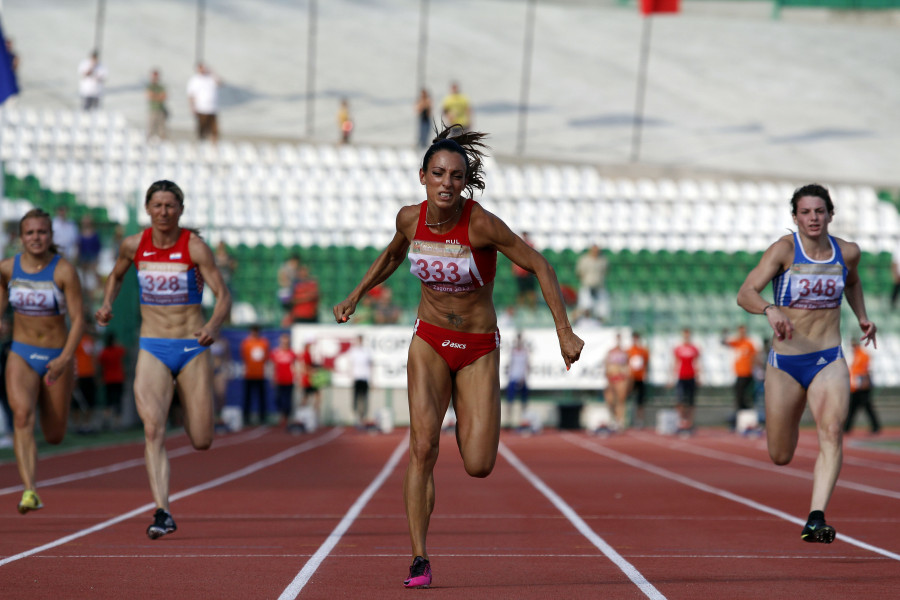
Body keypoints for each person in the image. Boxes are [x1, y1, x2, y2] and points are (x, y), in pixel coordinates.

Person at [332, 125, 583, 589]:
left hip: (477, 348)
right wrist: (356, 294)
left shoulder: (481, 223)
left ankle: (469, 431)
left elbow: (540, 264)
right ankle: (419, 558)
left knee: (478, 464)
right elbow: (391, 257)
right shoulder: (410, 218)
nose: (446, 183)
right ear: (423, 176)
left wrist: (563, 331)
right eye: (438, 174)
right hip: (428, 339)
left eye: (455, 176)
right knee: (422, 447)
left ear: (464, 182)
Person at [737, 183, 876, 544]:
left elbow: (854, 283)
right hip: (785, 362)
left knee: (831, 431)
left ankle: (816, 518)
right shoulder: (784, 251)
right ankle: (793, 415)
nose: (813, 218)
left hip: (828, 358)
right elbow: (745, 292)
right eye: (805, 212)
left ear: (830, 214)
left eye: (819, 211)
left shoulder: (847, 253)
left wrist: (862, 316)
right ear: (795, 217)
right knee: (780, 454)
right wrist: (770, 308)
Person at [95, 180, 232, 539]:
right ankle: (162, 511)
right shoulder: (133, 245)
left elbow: (223, 297)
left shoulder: (195, 247)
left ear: (181, 210)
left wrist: (214, 325)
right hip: (153, 345)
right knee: (152, 429)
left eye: (170, 205)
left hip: (191, 346)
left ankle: (187, 405)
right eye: (157, 205)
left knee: (202, 440)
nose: (163, 212)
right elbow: (116, 275)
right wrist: (108, 302)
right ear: (147, 209)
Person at [0, 208, 85, 514]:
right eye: (30, 233)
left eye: (42, 232)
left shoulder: (63, 271)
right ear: (21, 237)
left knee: (54, 434)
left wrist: (64, 359)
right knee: (22, 416)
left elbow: (78, 320)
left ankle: (32, 485)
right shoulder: (8, 269)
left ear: (50, 236)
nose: (36, 238)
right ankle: (29, 490)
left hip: (55, 357)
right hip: (21, 353)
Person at [721, 324, 757, 429]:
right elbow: (724, 342)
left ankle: (745, 421)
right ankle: (741, 420)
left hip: (747, 374)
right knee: (739, 397)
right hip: (739, 374)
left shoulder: (749, 343)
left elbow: (754, 357)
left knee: (744, 397)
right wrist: (724, 334)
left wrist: (755, 370)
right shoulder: (738, 342)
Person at [843, 337, 880, 435]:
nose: (852, 347)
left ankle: (875, 426)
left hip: (862, 387)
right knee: (853, 408)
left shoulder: (863, 355)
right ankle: (847, 427)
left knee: (866, 407)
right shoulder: (855, 355)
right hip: (855, 387)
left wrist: (865, 383)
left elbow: (866, 370)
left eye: (854, 345)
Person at [670, 327, 700, 435]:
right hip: (681, 376)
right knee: (680, 401)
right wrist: (671, 377)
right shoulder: (678, 348)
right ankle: (681, 421)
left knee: (691, 402)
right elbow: (675, 363)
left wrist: (699, 376)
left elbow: (697, 363)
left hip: (691, 376)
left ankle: (690, 422)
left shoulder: (694, 348)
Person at [240, 325, 270, 426]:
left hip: (260, 374)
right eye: (253, 332)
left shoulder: (264, 343)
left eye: (256, 332)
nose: (254, 334)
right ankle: (246, 418)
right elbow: (244, 357)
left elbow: (266, 357)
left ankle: (262, 417)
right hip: (249, 374)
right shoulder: (246, 343)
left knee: (262, 397)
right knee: (247, 397)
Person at [97, 331, 127, 430]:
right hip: (118, 379)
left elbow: (100, 364)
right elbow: (124, 351)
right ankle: (117, 424)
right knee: (118, 401)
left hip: (108, 379)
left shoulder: (104, 352)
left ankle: (106, 420)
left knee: (109, 401)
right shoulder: (118, 350)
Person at [73, 322, 98, 433]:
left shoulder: (90, 340)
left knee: (90, 401)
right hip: (80, 376)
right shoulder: (76, 341)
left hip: (90, 375)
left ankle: (86, 425)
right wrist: (74, 376)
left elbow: (93, 357)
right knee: (78, 403)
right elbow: (73, 359)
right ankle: (77, 425)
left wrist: (96, 373)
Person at [187, 63, 221, 142]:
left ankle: (213, 144)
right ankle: (201, 142)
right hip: (201, 108)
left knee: (214, 129)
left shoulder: (210, 78)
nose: (202, 70)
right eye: (201, 68)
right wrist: (192, 107)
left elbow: (220, 83)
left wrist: (212, 72)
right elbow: (191, 95)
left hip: (212, 108)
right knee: (202, 128)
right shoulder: (194, 80)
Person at [603, 332, 631, 431]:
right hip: (611, 377)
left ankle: (620, 421)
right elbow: (606, 364)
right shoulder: (610, 351)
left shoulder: (624, 352)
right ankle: (613, 419)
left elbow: (627, 367)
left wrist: (627, 378)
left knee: (620, 400)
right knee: (610, 400)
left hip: (620, 378)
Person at [575, 243, 609, 322]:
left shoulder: (603, 260)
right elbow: (579, 272)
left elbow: (605, 271)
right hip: (587, 285)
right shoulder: (584, 259)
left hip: (599, 286)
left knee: (602, 308)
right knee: (585, 305)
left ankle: (600, 323)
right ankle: (583, 321)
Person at [270, 332, 297, 427]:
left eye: (286, 342)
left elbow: (294, 366)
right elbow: (273, 366)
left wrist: (296, 377)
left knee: (288, 399)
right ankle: (281, 415)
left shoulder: (291, 353)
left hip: (289, 380)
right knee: (279, 399)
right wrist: (273, 377)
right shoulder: (276, 353)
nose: (285, 344)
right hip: (279, 380)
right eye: (283, 342)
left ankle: (286, 417)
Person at [504, 332, 529, 430]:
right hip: (513, 378)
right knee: (510, 401)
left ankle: (523, 420)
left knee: (524, 401)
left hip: (522, 378)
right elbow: (509, 364)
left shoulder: (525, 352)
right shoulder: (513, 352)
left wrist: (524, 377)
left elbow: (527, 365)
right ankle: (508, 421)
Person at [347, 335, 372, 428]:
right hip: (357, 377)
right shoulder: (353, 351)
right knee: (356, 398)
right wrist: (351, 376)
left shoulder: (366, 351)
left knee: (364, 398)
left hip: (364, 377)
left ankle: (363, 417)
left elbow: (370, 365)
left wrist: (371, 379)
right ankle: (357, 417)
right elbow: (350, 364)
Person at [627, 331, 650, 429]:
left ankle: (639, 420)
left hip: (640, 378)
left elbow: (646, 363)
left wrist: (646, 373)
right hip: (631, 378)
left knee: (640, 401)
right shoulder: (629, 350)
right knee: (628, 398)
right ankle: (627, 419)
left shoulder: (643, 351)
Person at [511, 231, 537, 309]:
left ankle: (532, 309)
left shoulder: (530, 245)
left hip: (528, 272)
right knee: (521, 292)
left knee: (531, 292)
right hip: (520, 272)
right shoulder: (517, 245)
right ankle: (521, 308)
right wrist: (514, 269)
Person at [146, 68, 168, 141]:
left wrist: (155, 96)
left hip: (161, 109)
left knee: (161, 127)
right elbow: (149, 95)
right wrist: (158, 96)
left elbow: (164, 96)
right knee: (151, 126)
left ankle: (163, 141)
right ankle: (149, 140)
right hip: (153, 109)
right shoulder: (150, 86)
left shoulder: (161, 87)